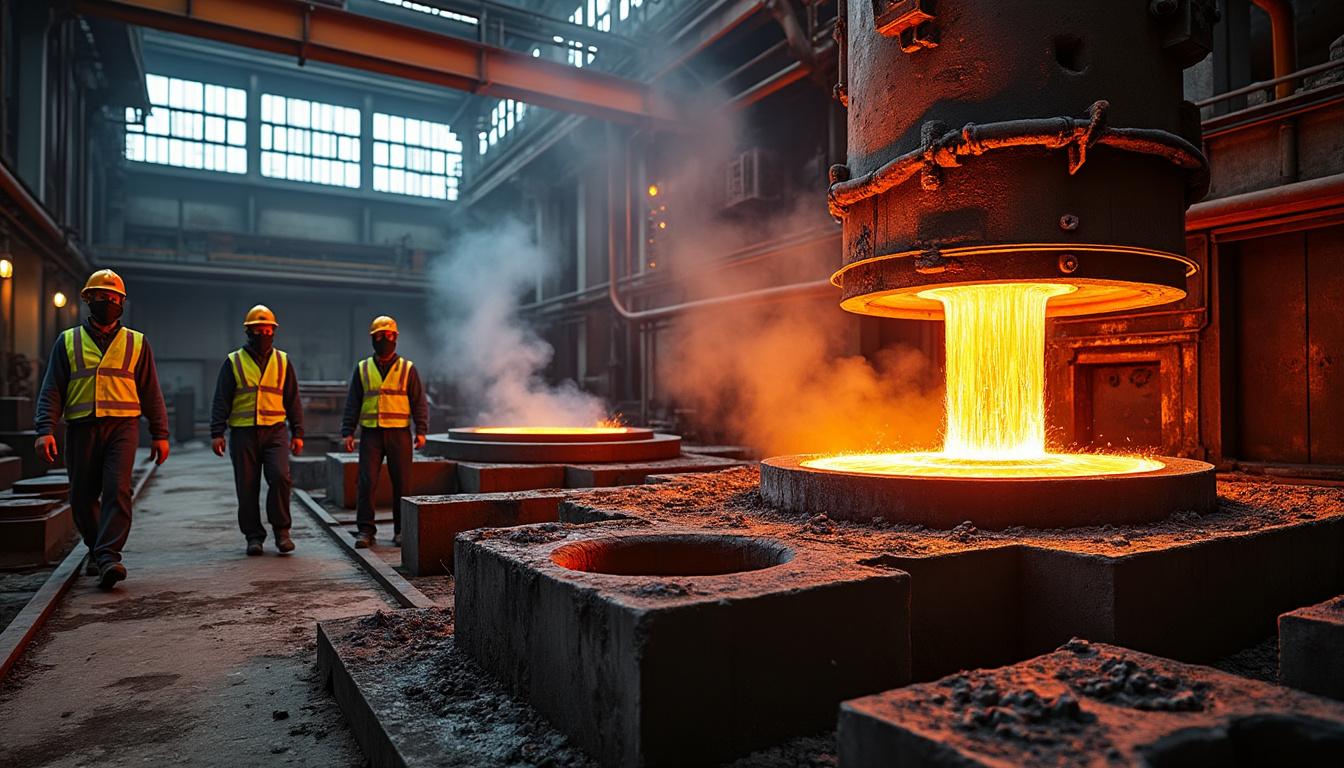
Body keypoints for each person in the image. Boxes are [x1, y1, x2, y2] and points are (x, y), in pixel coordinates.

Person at [33, 269, 170, 590]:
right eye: (99, 298)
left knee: (117, 489)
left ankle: (109, 556)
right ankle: (97, 549)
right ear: (88, 301)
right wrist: (45, 428)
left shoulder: (137, 343)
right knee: (81, 495)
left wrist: (160, 434)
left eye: (112, 298)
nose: (106, 302)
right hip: (81, 428)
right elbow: (52, 388)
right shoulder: (67, 341)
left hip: (123, 427)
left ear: (121, 303)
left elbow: (151, 391)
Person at [210, 305, 304, 556]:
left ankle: (282, 531)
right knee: (247, 486)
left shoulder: (283, 361)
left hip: (275, 432)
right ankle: (253, 536)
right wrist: (216, 432)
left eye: (267, 330)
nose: (263, 334)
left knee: (280, 478)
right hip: (243, 434)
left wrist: (298, 432)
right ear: (248, 332)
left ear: (273, 332)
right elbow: (222, 399)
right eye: (257, 330)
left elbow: (292, 399)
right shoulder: (234, 362)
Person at [341, 316, 428, 548]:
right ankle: (365, 531)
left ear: (395, 338)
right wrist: (348, 432)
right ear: (373, 339)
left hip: (399, 433)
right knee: (366, 482)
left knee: (403, 484)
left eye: (389, 336)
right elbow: (353, 403)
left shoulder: (408, 369)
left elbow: (419, 401)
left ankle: (402, 531)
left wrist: (421, 430)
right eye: (380, 336)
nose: (385, 340)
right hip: (371, 435)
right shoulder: (363, 369)